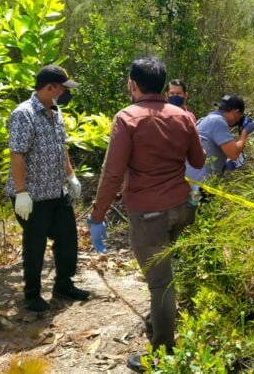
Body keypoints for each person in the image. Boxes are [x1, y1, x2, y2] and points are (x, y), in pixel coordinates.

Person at [88, 56, 205, 372]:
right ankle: (161, 320)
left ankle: (164, 354)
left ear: (133, 84)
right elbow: (198, 158)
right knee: (165, 274)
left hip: (148, 214)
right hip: (182, 209)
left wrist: (97, 216)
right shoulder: (182, 115)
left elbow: (113, 174)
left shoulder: (126, 118)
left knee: (160, 282)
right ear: (164, 86)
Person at [6, 65, 89, 313]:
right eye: (62, 87)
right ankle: (32, 295)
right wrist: (21, 192)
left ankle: (63, 284)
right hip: (32, 196)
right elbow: (17, 154)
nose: (65, 92)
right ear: (50, 87)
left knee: (67, 239)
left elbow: (60, 146)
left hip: (56, 191)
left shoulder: (56, 112)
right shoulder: (24, 114)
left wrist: (71, 176)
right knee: (35, 244)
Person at [185, 94, 254, 185]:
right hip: (199, 184)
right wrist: (244, 132)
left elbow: (209, 148)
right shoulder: (218, 121)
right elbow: (234, 153)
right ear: (236, 112)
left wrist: (224, 162)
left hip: (192, 179)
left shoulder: (208, 118)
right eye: (240, 116)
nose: (238, 120)